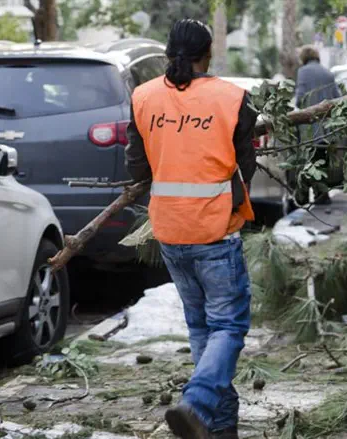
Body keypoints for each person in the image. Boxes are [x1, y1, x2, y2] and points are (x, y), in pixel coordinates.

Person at [125, 18, 257, 439]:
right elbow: (245, 165)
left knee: (202, 330)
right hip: (214, 233)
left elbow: (136, 164)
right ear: (208, 55)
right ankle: (196, 404)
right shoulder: (232, 98)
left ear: (168, 54)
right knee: (228, 328)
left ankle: (218, 429)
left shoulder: (143, 97)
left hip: (169, 232)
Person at [293, 45, 344, 205]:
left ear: (304, 58)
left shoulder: (303, 72)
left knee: (308, 160)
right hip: (327, 127)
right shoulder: (328, 73)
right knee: (322, 159)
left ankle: (307, 196)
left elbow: (300, 98)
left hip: (309, 126)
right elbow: (338, 97)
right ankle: (322, 194)